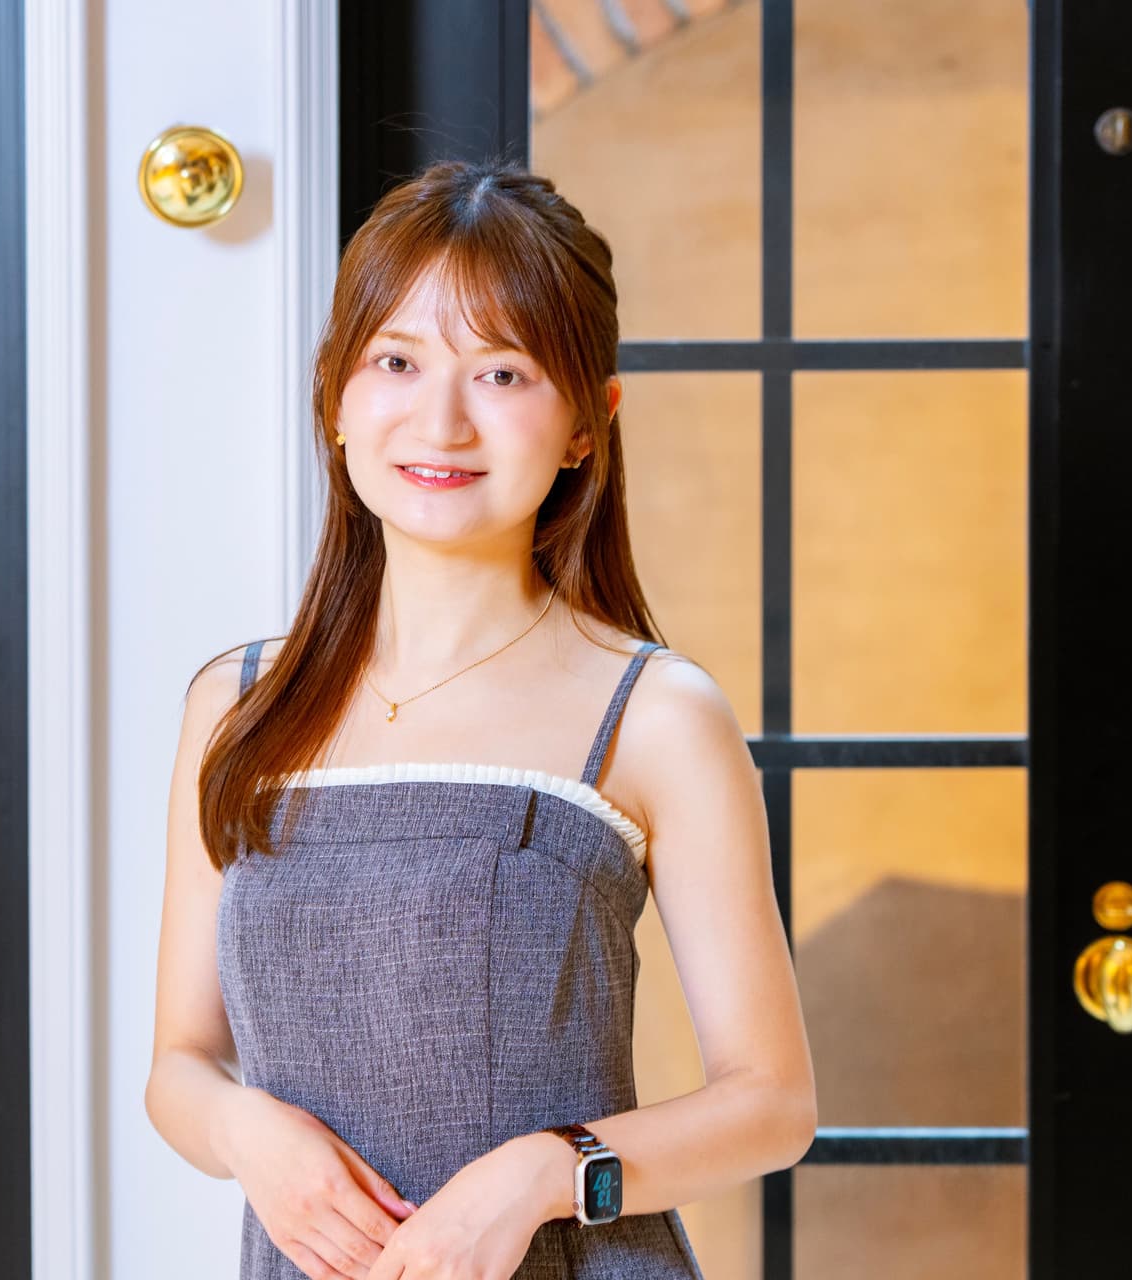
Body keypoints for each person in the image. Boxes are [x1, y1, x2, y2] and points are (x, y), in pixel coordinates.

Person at [145, 158, 816, 1279]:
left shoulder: (653, 712)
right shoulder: (238, 703)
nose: (440, 419)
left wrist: (548, 1172)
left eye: (501, 372)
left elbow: (774, 1100)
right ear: (338, 397)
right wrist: (247, 1134)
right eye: (396, 360)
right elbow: (180, 1062)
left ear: (586, 426)